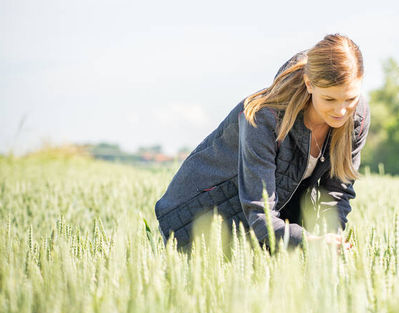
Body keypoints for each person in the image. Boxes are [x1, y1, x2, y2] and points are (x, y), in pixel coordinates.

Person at [155, 34, 369, 251]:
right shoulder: (263, 117)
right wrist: (310, 242)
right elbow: (260, 215)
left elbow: (337, 193)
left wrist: (331, 240)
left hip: (259, 235)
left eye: (350, 99)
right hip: (194, 223)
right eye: (329, 99)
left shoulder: (357, 119)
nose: (341, 111)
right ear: (309, 84)